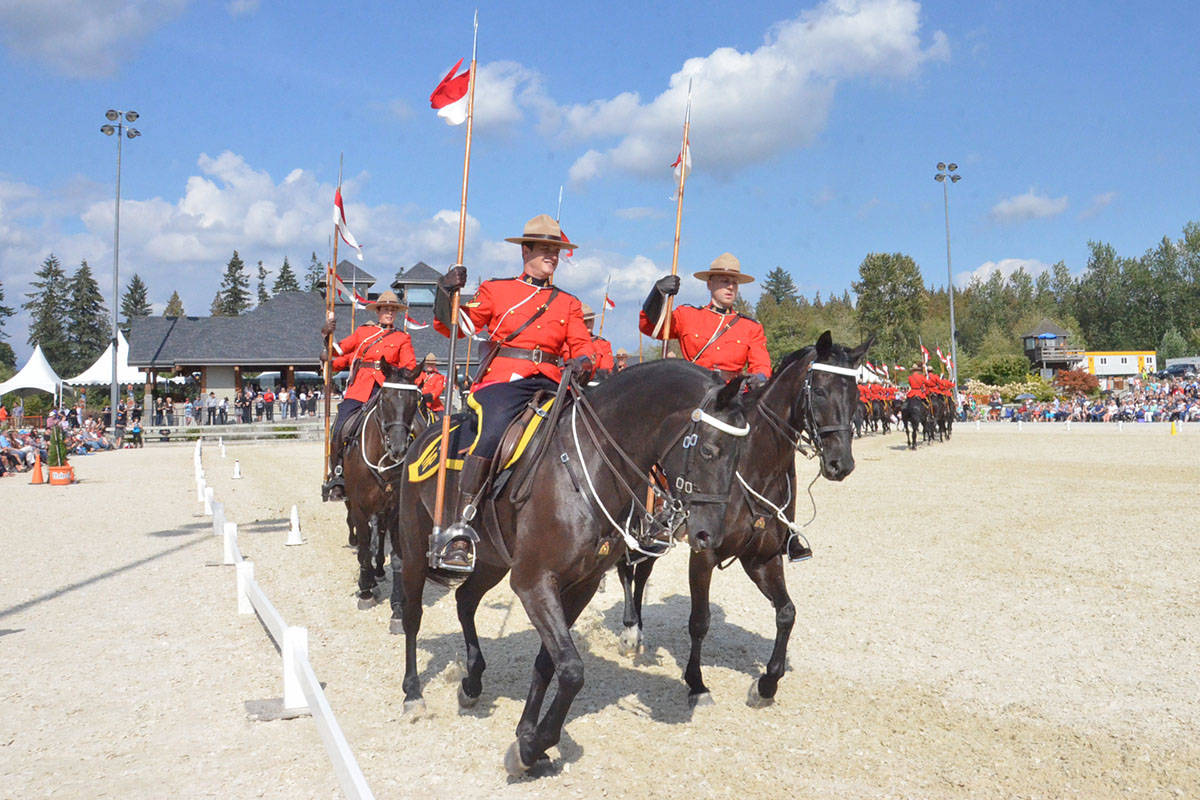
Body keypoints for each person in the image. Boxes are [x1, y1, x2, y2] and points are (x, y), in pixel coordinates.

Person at [431, 213, 595, 571]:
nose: (552, 256)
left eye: (556, 251)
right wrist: (446, 291)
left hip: (554, 382)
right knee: (491, 434)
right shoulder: (496, 290)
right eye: (545, 250)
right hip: (505, 380)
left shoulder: (569, 302)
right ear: (526, 250)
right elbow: (459, 326)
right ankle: (463, 523)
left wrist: (584, 360)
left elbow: (582, 344)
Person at [319, 290, 417, 501]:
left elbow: (409, 365)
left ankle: (413, 471)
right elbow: (338, 350)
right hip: (360, 388)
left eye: (393, 310)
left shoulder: (402, 337)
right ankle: (338, 475)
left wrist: (401, 379)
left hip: (386, 388)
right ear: (379, 311)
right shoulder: (363, 333)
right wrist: (326, 334)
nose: (389, 313)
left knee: (412, 425)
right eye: (385, 309)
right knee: (341, 425)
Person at [639, 253, 771, 386]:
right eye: (725, 281)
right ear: (710, 284)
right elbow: (648, 326)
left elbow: (762, 366)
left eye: (734, 283)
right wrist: (657, 293)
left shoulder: (751, 327)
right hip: (693, 390)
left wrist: (759, 378)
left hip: (731, 395)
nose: (730, 287)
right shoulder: (687, 316)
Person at [581, 304, 615, 379]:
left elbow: (607, 369)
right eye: (585, 321)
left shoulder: (603, 344)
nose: (588, 324)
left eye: (590, 320)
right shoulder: (568, 344)